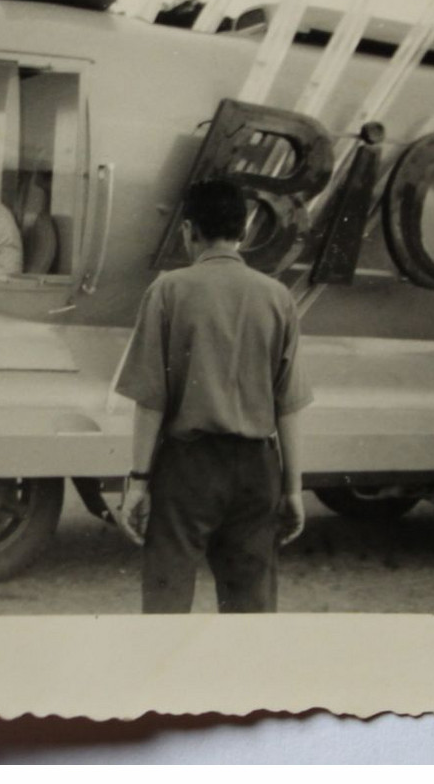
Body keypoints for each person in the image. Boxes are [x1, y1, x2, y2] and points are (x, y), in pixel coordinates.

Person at [115, 178, 313, 614]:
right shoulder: (279, 297)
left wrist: (139, 481)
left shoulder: (168, 291)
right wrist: (293, 489)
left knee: (166, 601)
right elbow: (289, 407)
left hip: (188, 469)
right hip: (258, 468)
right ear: (243, 232)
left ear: (190, 230)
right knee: (251, 608)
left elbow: (150, 399)